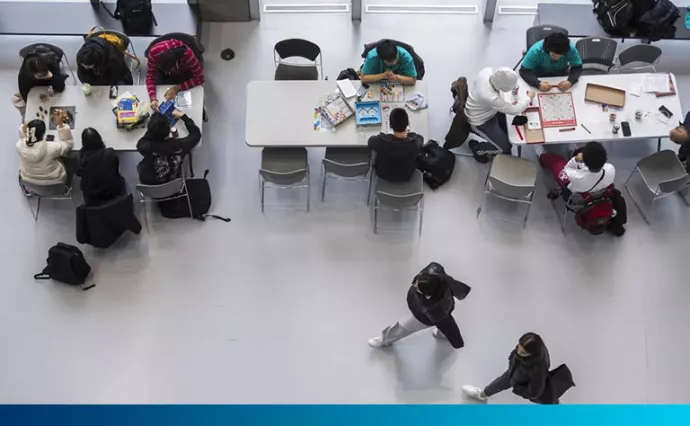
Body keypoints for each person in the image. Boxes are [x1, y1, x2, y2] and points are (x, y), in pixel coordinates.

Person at [368, 262, 471, 349]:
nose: (415, 285)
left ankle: (385, 338)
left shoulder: (435, 309)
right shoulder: (434, 272)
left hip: (423, 317)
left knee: (403, 327)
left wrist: (457, 342)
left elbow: (448, 324)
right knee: (442, 322)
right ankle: (442, 333)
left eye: (418, 288)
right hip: (439, 309)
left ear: (427, 294)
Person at [462, 333, 553, 403]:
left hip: (521, 380)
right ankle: (482, 394)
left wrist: (518, 389)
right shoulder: (532, 349)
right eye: (518, 348)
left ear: (532, 353)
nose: (518, 353)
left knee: (544, 400)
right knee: (499, 383)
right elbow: (516, 353)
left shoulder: (537, 370)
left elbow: (534, 392)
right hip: (515, 373)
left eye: (523, 353)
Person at [464, 67, 535, 156]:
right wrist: (529, 98)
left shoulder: (486, 72)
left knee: (509, 127)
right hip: (480, 122)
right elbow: (515, 110)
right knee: (505, 148)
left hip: (488, 110)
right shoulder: (490, 97)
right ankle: (478, 150)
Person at [136, 110, 201, 185]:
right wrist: (184, 117)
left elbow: (144, 140)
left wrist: (153, 127)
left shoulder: (145, 147)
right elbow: (196, 134)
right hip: (173, 183)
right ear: (168, 129)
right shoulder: (180, 146)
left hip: (148, 184)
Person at [538, 142, 615, 198]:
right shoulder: (610, 169)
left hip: (572, 189)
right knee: (587, 151)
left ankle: (541, 153)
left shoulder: (578, 177)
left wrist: (576, 160)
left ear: (585, 162)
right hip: (595, 190)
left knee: (557, 162)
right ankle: (573, 150)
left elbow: (567, 169)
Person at [146, 38, 204, 112]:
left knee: (188, 107)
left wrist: (178, 87)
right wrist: (153, 98)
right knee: (160, 94)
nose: (168, 73)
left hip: (182, 73)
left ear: (177, 64)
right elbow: (150, 77)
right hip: (161, 72)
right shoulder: (154, 53)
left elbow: (200, 78)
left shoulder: (188, 56)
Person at [16, 112, 73, 186]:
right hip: (54, 181)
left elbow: (23, 140)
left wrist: (23, 129)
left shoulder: (19, 146)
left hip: (30, 181)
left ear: (28, 132)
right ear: (43, 134)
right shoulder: (52, 148)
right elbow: (68, 144)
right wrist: (61, 125)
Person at [368, 108, 423, 182]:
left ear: (390, 125)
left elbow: (370, 141)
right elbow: (421, 139)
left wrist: (386, 136)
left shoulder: (381, 141)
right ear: (407, 125)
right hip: (406, 175)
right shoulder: (415, 142)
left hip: (383, 174)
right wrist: (408, 135)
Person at [75, 128, 127, 206]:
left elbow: (78, 173)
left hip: (91, 199)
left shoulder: (79, 159)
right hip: (113, 193)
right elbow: (116, 167)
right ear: (99, 139)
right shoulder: (110, 153)